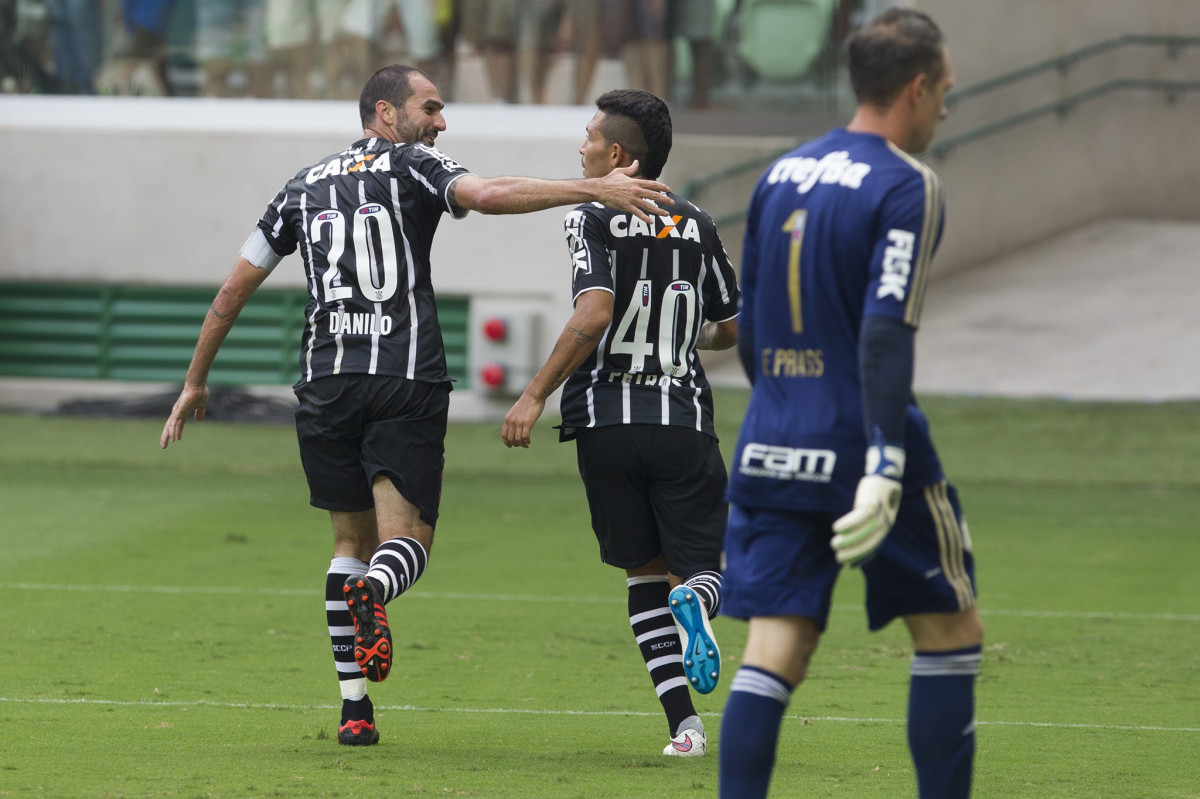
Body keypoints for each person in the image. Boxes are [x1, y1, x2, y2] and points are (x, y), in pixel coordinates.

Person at [159, 64, 673, 747]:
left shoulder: (299, 187)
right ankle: (377, 589)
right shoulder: (414, 164)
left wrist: (195, 379)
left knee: (347, 543)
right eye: (429, 108)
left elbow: (233, 288)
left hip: (326, 383)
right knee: (404, 544)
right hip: (404, 380)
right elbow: (486, 194)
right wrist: (592, 187)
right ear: (384, 112)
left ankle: (354, 708)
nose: (440, 121)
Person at [717, 9, 983, 798]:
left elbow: (754, 332)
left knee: (775, 648)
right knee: (949, 629)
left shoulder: (781, 173)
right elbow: (884, 331)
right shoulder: (908, 184)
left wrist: (788, 408)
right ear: (917, 86)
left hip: (772, 439)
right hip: (866, 440)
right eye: (945, 93)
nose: (944, 109)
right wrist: (885, 457)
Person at [501, 89, 739, 758]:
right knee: (710, 568)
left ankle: (685, 730)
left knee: (641, 577)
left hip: (604, 420)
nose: (580, 145)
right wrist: (680, 332)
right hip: (681, 420)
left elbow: (596, 311)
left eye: (588, 136)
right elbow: (728, 330)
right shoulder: (697, 222)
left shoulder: (589, 216)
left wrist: (534, 393)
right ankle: (695, 597)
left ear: (616, 155)